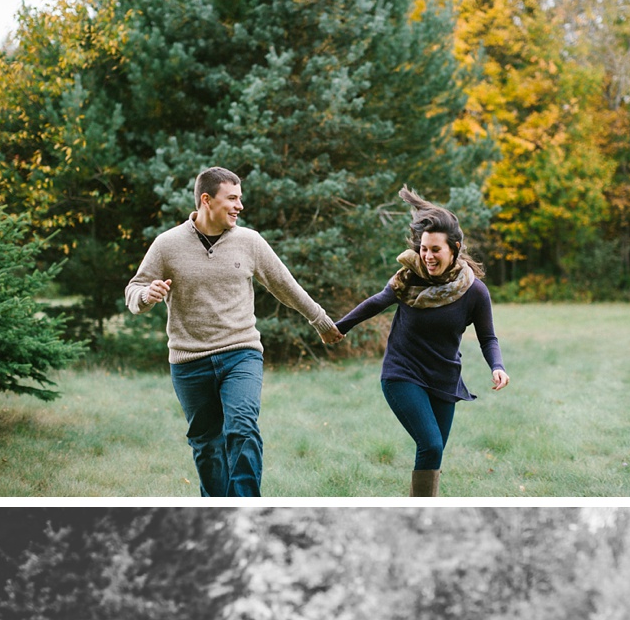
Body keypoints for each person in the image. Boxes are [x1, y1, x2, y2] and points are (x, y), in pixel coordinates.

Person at [125, 167, 343, 497]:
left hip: (240, 353)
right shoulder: (167, 245)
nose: (240, 206)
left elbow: (284, 285)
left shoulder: (249, 242)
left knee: (242, 429)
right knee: (207, 446)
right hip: (189, 362)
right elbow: (134, 289)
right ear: (206, 200)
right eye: (233, 198)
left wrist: (321, 321)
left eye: (240, 199)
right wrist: (145, 295)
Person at [333, 186, 508, 496]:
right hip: (403, 373)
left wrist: (497, 366)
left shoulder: (474, 291)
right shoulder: (408, 279)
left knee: (434, 453)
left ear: (454, 248)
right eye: (424, 248)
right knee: (430, 444)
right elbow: (377, 302)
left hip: (443, 378)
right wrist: (339, 327)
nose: (427, 256)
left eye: (435, 249)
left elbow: (488, 337)